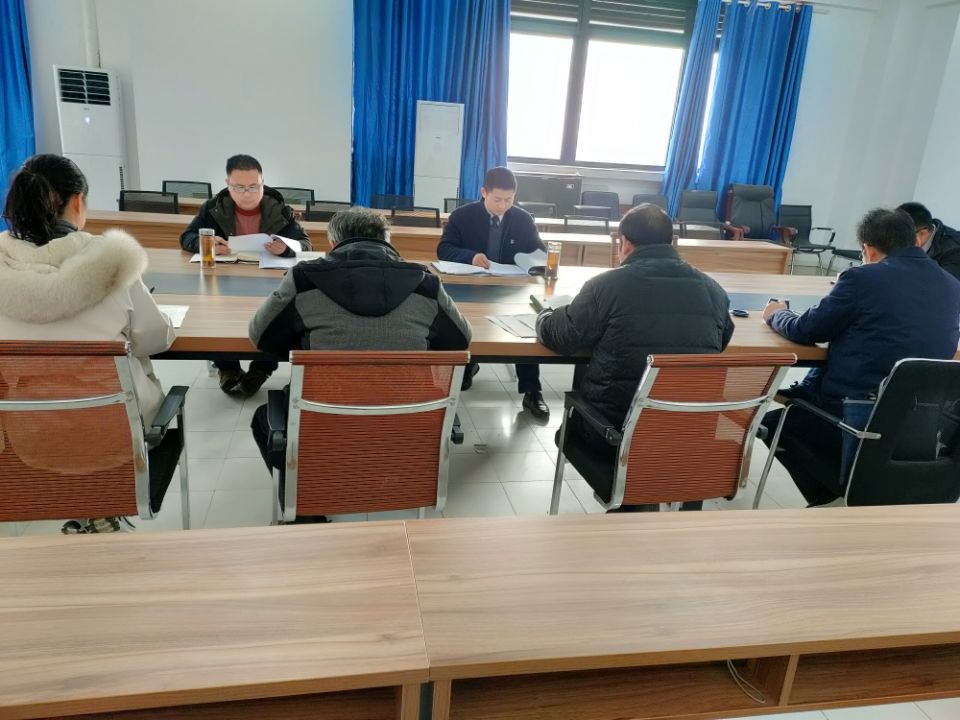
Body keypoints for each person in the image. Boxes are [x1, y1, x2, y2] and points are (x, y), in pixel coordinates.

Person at [248, 207, 472, 517]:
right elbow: (460, 340)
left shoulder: (304, 280)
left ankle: (306, 510)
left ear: (333, 242)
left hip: (325, 422)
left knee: (265, 418)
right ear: (387, 240)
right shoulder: (425, 283)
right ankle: (389, 482)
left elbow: (262, 337)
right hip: (408, 422)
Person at [0, 153, 175, 534]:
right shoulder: (113, 262)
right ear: (78, 201)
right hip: (116, 434)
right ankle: (99, 508)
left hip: (27, 434)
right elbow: (154, 339)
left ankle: (84, 508)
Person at [536, 203, 735, 510]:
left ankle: (633, 508)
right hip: (690, 437)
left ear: (624, 243)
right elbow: (721, 341)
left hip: (613, 438)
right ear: (672, 242)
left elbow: (562, 337)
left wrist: (544, 316)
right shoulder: (715, 291)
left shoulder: (606, 286)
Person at [761, 208, 960, 506]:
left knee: (774, 423)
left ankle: (833, 498)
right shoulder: (952, 285)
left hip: (857, 415)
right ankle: (844, 495)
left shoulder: (862, 278)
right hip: (919, 423)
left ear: (868, 249)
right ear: (916, 240)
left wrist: (776, 314)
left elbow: (805, 330)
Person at [180, 154, 311, 397]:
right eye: (239, 187)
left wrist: (285, 248)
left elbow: (304, 244)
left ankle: (262, 369)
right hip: (224, 278)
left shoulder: (281, 209)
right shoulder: (213, 208)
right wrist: (206, 244)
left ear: (263, 182)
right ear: (227, 183)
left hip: (268, 280)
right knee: (213, 315)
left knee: (276, 317)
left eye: (254, 186)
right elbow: (186, 237)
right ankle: (227, 368)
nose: (247, 194)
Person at [437, 166, 550, 420]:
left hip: (511, 288)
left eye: (509, 200)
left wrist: (531, 261)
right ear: (483, 192)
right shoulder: (462, 216)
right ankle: (466, 368)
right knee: (460, 327)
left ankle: (532, 390)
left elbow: (539, 251)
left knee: (526, 334)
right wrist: (470, 256)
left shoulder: (522, 219)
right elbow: (444, 249)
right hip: (469, 286)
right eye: (497, 199)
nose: (503, 206)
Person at [896, 201, 960, 280]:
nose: (895, 241)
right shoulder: (915, 232)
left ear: (922, 234)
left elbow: (938, 284)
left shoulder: (955, 251)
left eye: (900, 237)